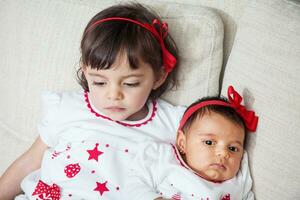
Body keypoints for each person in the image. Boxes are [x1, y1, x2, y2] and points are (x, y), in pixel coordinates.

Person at [0, 3, 186, 199]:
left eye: (130, 84)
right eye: (99, 82)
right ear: (86, 71)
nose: (113, 95)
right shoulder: (68, 108)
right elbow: (28, 162)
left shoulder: (170, 123)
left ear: (158, 77)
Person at [126, 86, 259, 200]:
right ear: (182, 143)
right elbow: (133, 182)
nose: (223, 153)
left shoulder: (239, 180)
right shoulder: (164, 158)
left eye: (232, 148)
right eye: (209, 142)